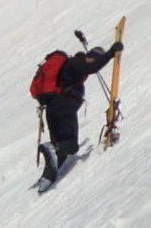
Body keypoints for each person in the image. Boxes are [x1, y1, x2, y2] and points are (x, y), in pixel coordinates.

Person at [32, 42, 121, 184]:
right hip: (64, 108)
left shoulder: (72, 67)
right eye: (96, 59)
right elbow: (92, 67)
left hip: (53, 111)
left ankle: (47, 177)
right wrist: (110, 53)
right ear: (91, 57)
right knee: (71, 146)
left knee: (61, 150)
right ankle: (51, 147)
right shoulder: (76, 62)